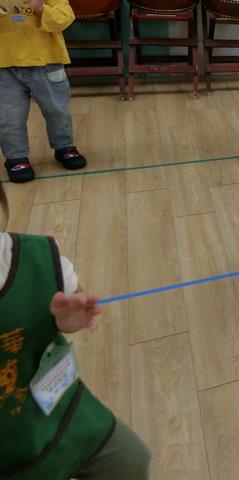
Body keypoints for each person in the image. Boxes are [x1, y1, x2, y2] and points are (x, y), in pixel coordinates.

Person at [0, 180, 151, 479]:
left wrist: (68, 319)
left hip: (59, 413)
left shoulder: (37, 255)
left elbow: (72, 295)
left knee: (130, 459)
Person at [0, 0, 87, 183]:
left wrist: (41, 10)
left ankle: (64, 147)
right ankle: (16, 157)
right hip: (5, 65)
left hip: (47, 63)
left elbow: (65, 19)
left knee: (57, 110)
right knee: (8, 116)